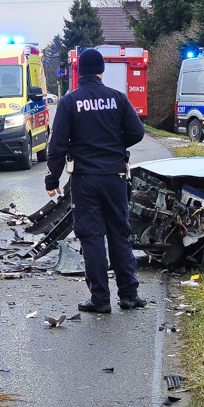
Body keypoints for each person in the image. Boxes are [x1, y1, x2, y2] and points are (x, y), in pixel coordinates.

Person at [45, 48, 146, 313]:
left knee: (91, 238)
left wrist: (52, 178)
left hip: (85, 180)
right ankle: (129, 295)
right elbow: (137, 132)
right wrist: (114, 145)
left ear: (80, 73)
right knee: (119, 234)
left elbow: (57, 144)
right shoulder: (118, 98)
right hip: (115, 176)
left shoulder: (69, 102)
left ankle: (100, 299)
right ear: (101, 71)